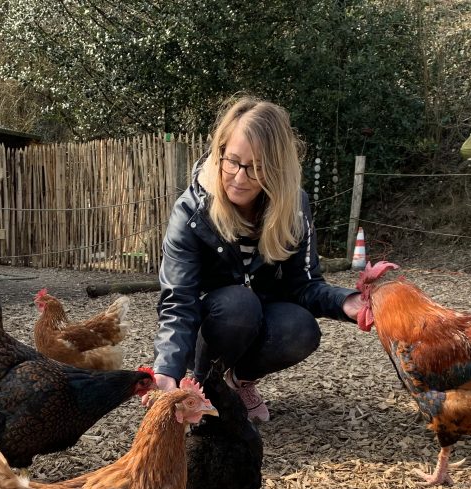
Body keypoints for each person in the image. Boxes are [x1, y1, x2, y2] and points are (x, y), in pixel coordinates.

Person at [152, 96, 363, 421]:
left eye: (256, 167)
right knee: (238, 303)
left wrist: (347, 302)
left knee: (302, 328)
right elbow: (179, 301)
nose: (238, 176)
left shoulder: (293, 207)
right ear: (219, 151)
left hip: (260, 318)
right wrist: (167, 369)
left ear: (277, 168)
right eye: (232, 161)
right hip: (211, 327)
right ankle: (204, 385)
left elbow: (305, 286)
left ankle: (238, 381)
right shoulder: (192, 211)